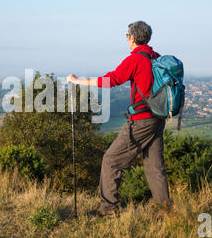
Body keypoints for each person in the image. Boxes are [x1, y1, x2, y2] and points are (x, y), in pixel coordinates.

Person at [66, 21, 170, 217]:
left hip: (141, 120)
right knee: (154, 165)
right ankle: (165, 211)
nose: (127, 39)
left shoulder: (136, 59)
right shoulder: (155, 57)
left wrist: (78, 81)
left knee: (111, 160)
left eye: (127, 35)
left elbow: (111, 80)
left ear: (132, 37)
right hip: (158, 118)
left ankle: (108, 210)